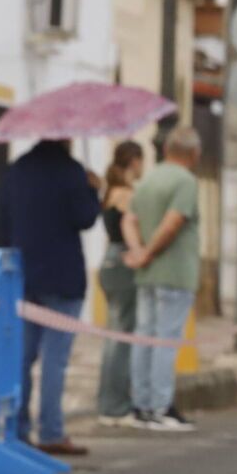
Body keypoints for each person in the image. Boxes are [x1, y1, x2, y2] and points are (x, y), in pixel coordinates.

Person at [0, 136, 102, 455]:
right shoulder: (72, 173)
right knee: (55, 360)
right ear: (67, 137)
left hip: (23, 278)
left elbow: (1, 222)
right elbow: (85, 218)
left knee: (23, 358)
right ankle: (52, 432)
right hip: (64, 278)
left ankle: (18, 428)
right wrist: (94, 189)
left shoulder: (16, 171)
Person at [124, 127, 205, 433]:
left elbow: (129, 219)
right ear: (193, 154)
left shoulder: (149, 178)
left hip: (146, 275)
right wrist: (149, 252)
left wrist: (137, 251)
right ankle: (161, 406)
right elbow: (173, 225)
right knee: (165, 341)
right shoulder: (185, 182)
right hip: (174, 272)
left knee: (144, 337)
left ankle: (141, 405)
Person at [93, 141, 146, 428]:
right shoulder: (126, 194)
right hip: (123, 262)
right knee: (122, 337)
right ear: (134, 161)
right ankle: (116, 406)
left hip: (109, 262)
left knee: (115, 335)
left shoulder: (109, 192)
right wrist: (141, 252)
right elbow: (131, 227)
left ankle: (108, 402)